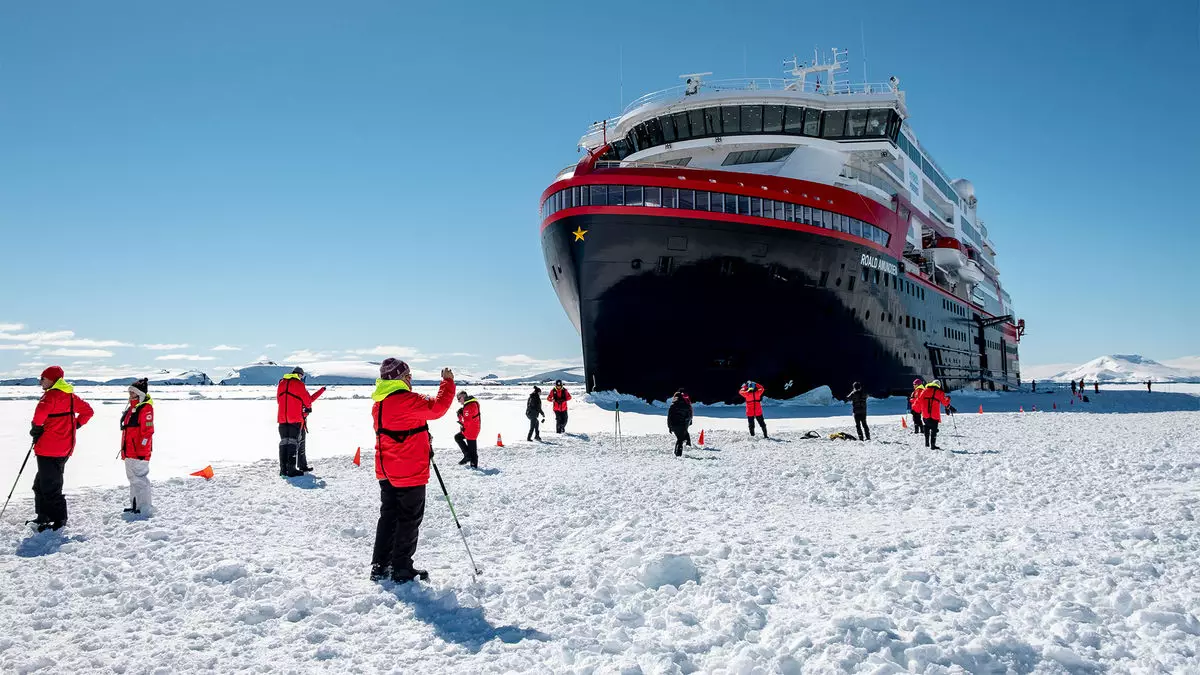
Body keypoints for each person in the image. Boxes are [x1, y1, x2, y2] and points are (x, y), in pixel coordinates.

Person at [370, 358, 456, 583]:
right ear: (399, 378)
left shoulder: (379, 403)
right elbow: (438, 408)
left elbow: (401, 429)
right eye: (408, 376)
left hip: (386, 470)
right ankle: (401, 568)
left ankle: (380, 565)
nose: (410, 380)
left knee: (388, 517)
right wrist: (447, 382)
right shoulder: (407, 400)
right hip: (407, 471)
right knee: (409, 519)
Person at [28, 366, 94, 531]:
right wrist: (75, 425)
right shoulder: (71, 397)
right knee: (42, 484)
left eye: (43, 378)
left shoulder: (50, 397)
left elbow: (39, 417)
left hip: (48, 449)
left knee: (49, 486)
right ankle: (44, 516)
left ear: (53, 380)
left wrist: (35, 429)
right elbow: (88, 411)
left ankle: (59, 520)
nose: (40, 381)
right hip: (64, 448)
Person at [276, 367, 325, 477]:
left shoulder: (282, 383)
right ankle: (292, 469)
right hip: (295, 418)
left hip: (282, 418)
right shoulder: (299, 384)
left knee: (284, 443)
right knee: (293, 443)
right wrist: (304, 407)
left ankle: (283, 470)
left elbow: (279, 400)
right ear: (300, 375)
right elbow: (307, 401)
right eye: (301, 376)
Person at [119, 378, 154, 515]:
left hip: (138, 453)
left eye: (132, 393)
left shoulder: (146, 409)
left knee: (140, 479)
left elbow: (148, 432)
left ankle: (144, 507)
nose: (130, 395)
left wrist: (142, 449)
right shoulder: (132, 408)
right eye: (129, 393)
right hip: (129, 451)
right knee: (133, 479)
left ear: (139, 393)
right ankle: (135, 505)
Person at [918, 380, 952, 450]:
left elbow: (919, 400)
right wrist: (948, 399)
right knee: (934, 430)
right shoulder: (940, 392)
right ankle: (933, 445)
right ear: (938, 385)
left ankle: (926, 443)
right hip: (934, 414)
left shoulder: (925, 390)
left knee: (926, 427)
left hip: (925, 413)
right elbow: (945, 403)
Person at [454, 391, 481, 468]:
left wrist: (460, 416)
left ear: (463, 397)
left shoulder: (469, 406)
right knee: (458, 437)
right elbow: (469, 418)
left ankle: (473, 465)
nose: (458, 401)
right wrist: (462, 413)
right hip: (472, 428)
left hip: (471, 430)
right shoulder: (470, 404)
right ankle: (467, 456)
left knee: (472, 450)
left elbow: (466, 422)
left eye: (459, 399)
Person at [667, 390, 693, 456]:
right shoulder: (686, 406)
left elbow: (669, 418)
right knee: (680, 439)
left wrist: (670, 427)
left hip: (674, 425)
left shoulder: (672, 406)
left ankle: (677, 453)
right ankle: (678, 454)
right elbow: (689, 417)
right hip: (682, 425)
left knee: (680, 438)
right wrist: (687, 424)